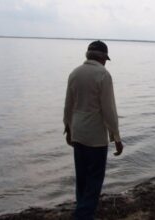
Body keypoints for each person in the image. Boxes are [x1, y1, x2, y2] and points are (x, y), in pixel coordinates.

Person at [63, 40, 124, 220]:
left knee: (81, 178)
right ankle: (83, 216)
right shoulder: (103, 75)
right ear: (102, 57)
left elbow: (68, 105)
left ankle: (83, 212)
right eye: (105, 58)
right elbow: (109, 110)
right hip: (96, 137)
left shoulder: (75, 73)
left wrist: (68, 128)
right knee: (95, 180)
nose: (106, 62)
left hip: (78, 133)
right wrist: (116, 137)